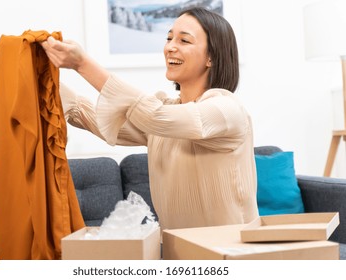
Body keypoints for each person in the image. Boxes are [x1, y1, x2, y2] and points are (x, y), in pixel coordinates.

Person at [44, 7, 259, 230]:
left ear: (211, 57)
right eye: (169, 38)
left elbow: (156, 116)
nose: (170, 47)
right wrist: (48, 82)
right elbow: (105, 122)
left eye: (184, 40)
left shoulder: (226, 110)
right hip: (179, 253)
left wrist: (82, 65)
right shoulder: (168, 111)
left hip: (231, 253)